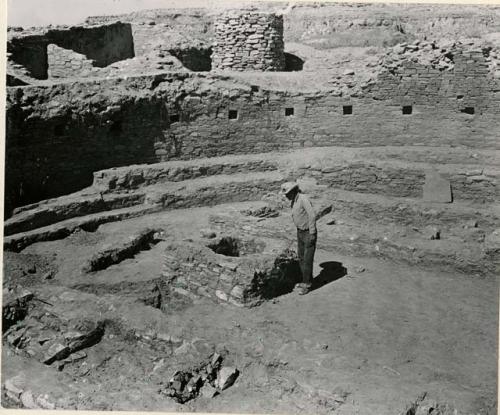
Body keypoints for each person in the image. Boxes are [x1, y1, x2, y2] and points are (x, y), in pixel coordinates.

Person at [280, 181, 317, 295]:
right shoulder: (294, 201)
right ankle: (305, 280)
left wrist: (312, 233)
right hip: (300, 232)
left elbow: (312, 215)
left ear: (293, 191)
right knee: (301, 257)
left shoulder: (303, 199)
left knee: (307, 259)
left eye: (287, 194)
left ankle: (307, 284)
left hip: (308, 233)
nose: (286, 197)